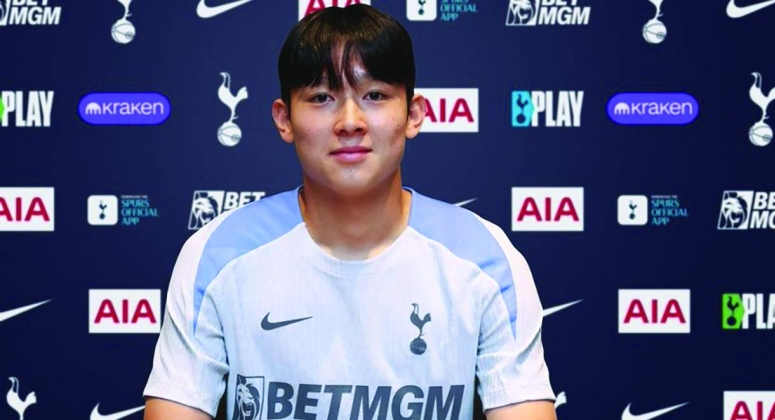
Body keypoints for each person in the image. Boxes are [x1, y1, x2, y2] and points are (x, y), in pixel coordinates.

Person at [142, 4, 557, 420]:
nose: (350, 121)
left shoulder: (485, 260)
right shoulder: (217, 256)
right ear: (284, 120)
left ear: (413, 114)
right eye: (321, 98)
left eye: (374, 95)